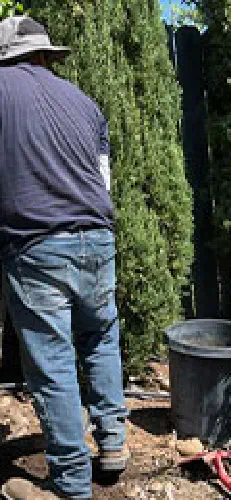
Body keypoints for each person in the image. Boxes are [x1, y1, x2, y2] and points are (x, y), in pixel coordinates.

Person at [0, 16, 128, 500]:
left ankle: (71, 485)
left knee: (51, 362)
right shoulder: (86, 103)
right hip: (97, 238)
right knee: (99, 338)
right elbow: (103, 182)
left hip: (35, 244)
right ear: (44, 54)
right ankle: (113, 444)